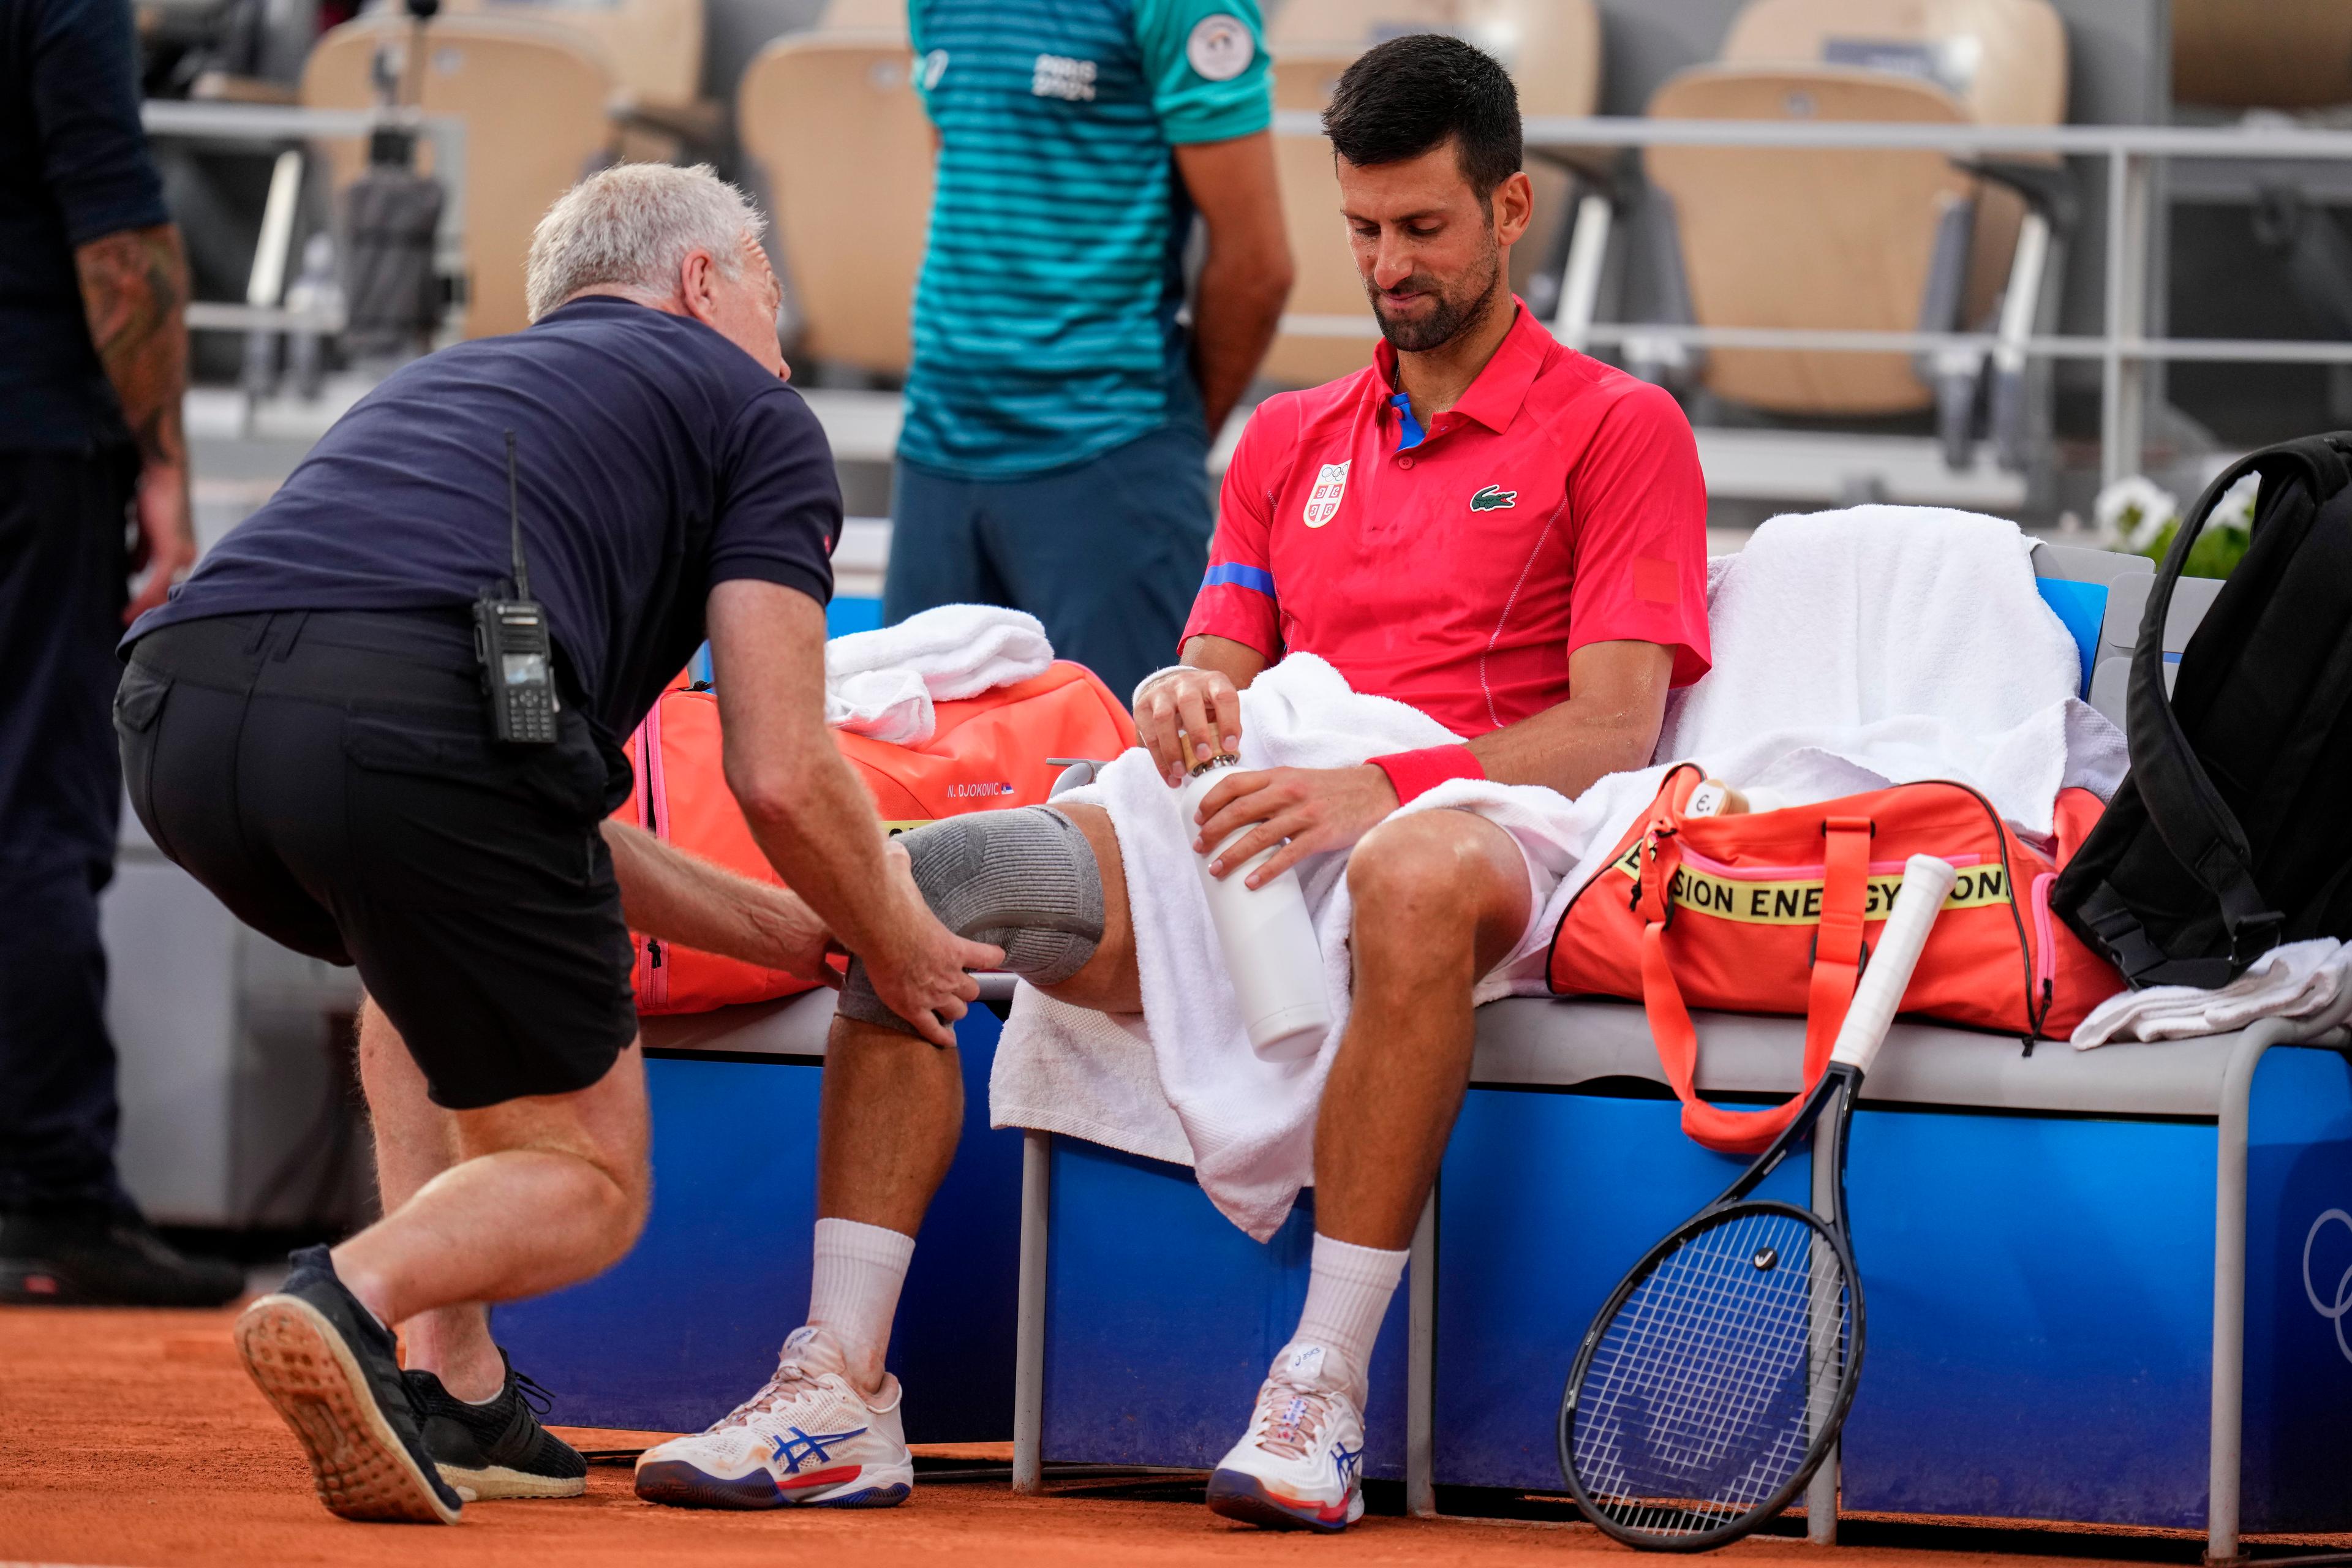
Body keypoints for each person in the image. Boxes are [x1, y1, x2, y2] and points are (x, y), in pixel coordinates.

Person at [633, 36, 1711, 1531]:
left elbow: (1611, 728)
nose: (1388, 266)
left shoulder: (1619, 424)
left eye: (1422, 229)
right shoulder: (1281, 436)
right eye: (1362, 229)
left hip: (1488, 820)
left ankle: (1318, 1387)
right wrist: (1180, 692)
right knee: (917, 886)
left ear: (1512, 207)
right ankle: (840, 1389)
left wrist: (1374, 785)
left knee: (1406, 871)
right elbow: (1214, 660)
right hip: (1260, 819)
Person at [115, 163, 1002, 1526]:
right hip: (410, 730)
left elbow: (535, 818)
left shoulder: (448, 389)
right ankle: (344, 1296)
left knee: (411, 947)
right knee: (591, 1182)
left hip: (179, 721)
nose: (780, 331)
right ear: (703, 281)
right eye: (770, 291)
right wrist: (895, 933)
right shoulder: (751, 413)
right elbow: (780, 765)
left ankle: (453, 1391)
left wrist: (792, 927)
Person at [0, 0, 238, 1306]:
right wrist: (164, 460)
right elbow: (119, 236)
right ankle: (52, 1192)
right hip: (32, 437)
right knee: (34, 809)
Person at [883, 0, 1295, 704]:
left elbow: (1257, 267)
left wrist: (1162, 440)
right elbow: (961, 173)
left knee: (1123, 792)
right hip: (936, 445)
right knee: (909, 794)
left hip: (1108, 452)